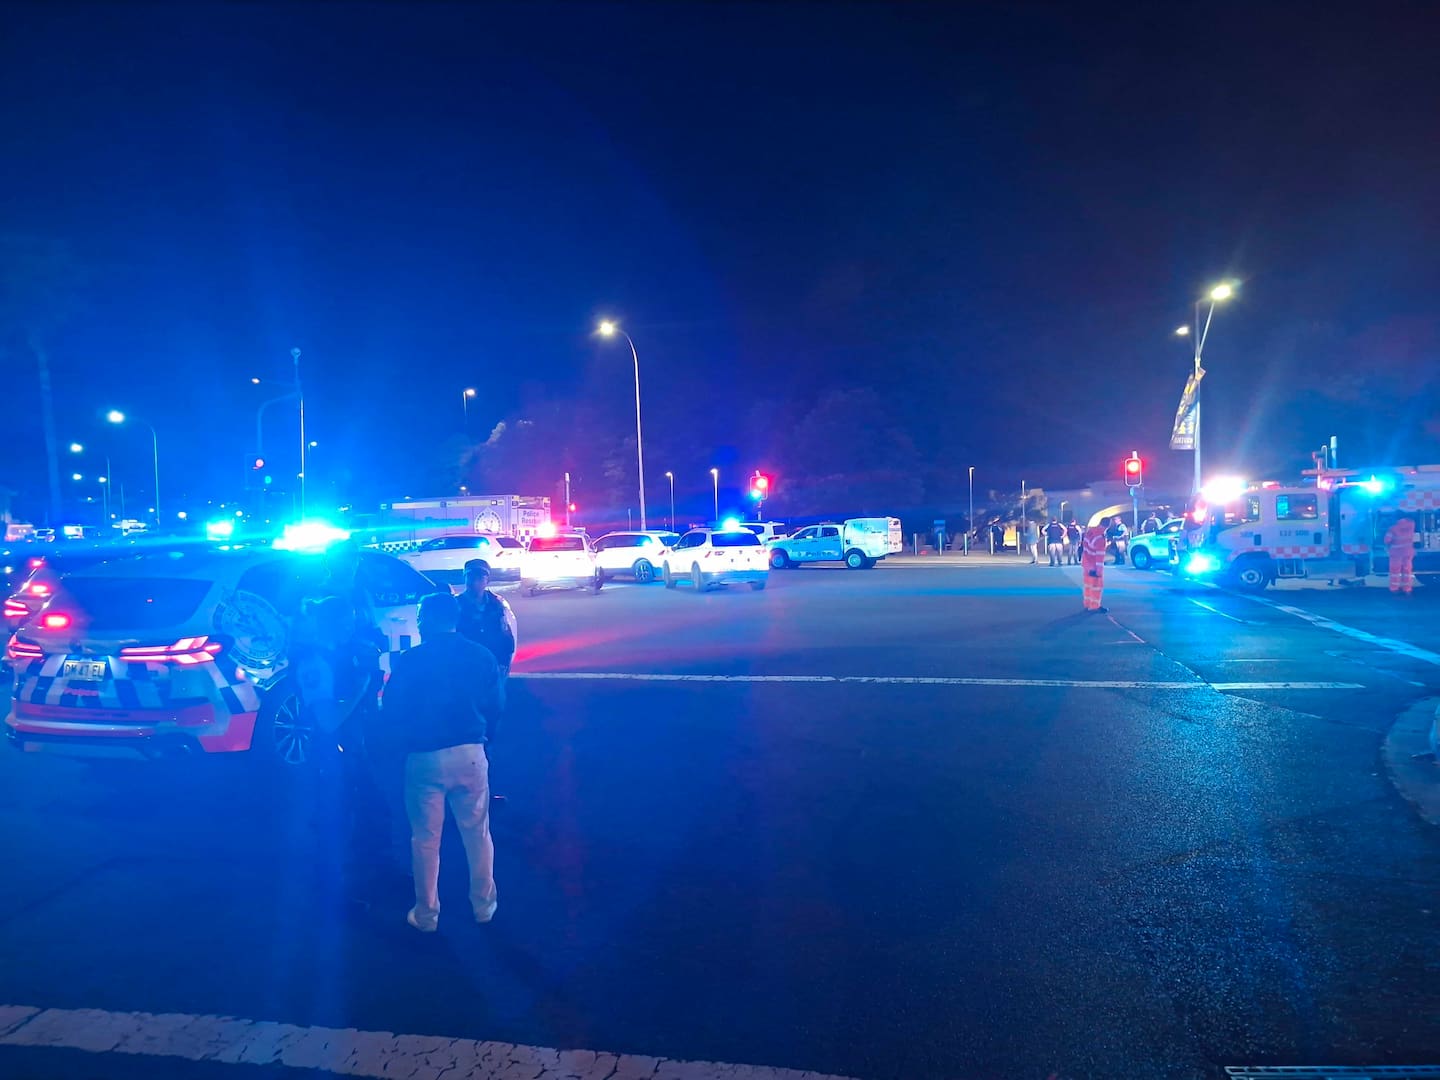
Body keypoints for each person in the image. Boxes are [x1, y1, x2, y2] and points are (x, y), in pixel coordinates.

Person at [380, 591, 501, 932]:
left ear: (430, 620)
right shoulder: (481, 656)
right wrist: (486, 737)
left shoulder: (410, 660)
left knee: (425, 838)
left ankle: (427, 913)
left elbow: (393, 709)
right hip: (471, 751)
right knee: (477, 832)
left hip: (424, 756)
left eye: (421, 616)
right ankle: (484, 905)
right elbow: (496, 705)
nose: (417, 622)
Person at [457, 559, 517, 710]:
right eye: (471, 577)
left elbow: (506, 638)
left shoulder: (496, 605)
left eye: (480, 577)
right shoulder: (455, 605)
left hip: (493, 666)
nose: (475, 582)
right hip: (466, 668)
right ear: (464, 578)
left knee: (494, 708)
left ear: (487, 580)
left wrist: (504, 664)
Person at [1384, 515, 1417, 595]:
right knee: (1407, 572)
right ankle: (1407, 589)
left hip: (1396, 554)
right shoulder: (1411, 525)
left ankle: (1394, 589)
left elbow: (1387, 540)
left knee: (1395, 572)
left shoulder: (1393, 529)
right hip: (1408, 552)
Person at [1081, 519, 1109, 613]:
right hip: (1094, 565)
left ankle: (1087, 604)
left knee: (1088, 586)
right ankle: (1095, 606)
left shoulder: (1090, 532)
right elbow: (1099, 555)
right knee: (1096, 586)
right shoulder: (1100, 537)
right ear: (1107, 526)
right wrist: (1099, 571)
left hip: (1086, 563)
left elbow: (1085, 546)